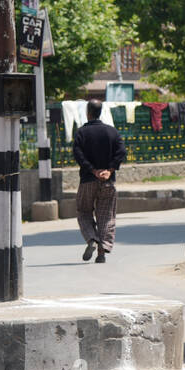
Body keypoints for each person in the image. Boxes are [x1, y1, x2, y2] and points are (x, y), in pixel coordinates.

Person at [71, 99, 127, 263]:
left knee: (83, 211)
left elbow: (78, 154)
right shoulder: (112, 132)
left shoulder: (82, 132)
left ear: (88, 112)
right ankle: (102, 251)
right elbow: (121, 152)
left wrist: (93, 170)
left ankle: (91, 239)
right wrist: (109, 170)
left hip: (88, 180)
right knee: (106, 216)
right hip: (108, 182)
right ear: (100, 112)